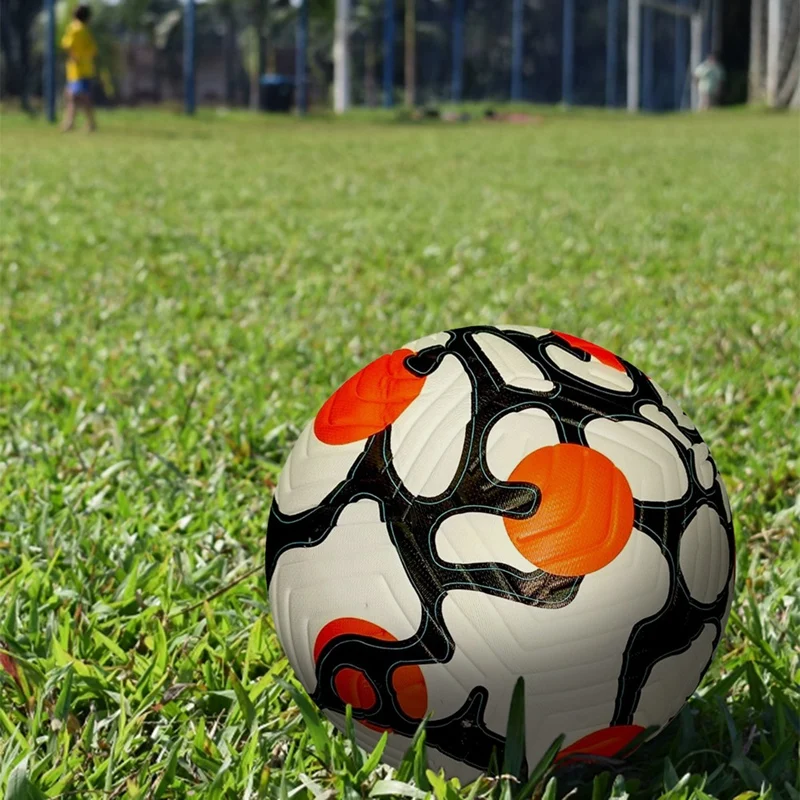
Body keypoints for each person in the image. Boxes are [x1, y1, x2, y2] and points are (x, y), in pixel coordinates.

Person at [61, 4, 98, 132]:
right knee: (74, 96)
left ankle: (83, 123)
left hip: (78, 69)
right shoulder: (85, 29)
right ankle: (72, 123)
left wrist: (74, 57)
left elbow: (67, 44)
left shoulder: (74, 28)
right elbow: (93, 50)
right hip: (84, 68)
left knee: (77, 96)